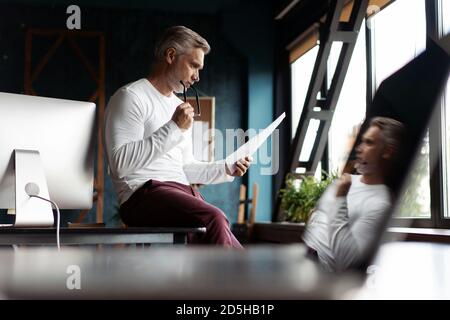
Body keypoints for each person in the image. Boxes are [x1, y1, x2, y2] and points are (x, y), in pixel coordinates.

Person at [104, 26, 251, 248]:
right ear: (171, 55)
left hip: (179, 191)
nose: (197, 76)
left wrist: (226, 168)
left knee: (236, 250)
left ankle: (227, 281)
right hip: (141, 196)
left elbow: (185, 167)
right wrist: (173, 127)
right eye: (193, 65)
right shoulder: (130, 97)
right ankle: (224, 282)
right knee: (214, 219)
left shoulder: (178, 106)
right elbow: (120, 165)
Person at [302, 117, 406, 272]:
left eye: (369, 143)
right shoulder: (344, 181)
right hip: (302, 261)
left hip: (322, 279)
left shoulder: (381, 203)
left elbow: (346, 260)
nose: (360, 148)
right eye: (362, 141)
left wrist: (340, 198)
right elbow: (317, 220)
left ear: (387, 151)